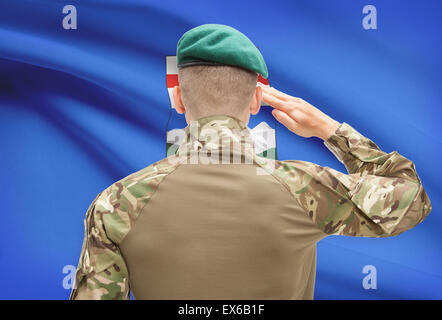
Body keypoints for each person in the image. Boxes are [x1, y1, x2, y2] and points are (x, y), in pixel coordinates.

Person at [69, 24, 432, 300]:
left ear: (177, 98)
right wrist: (330, 130)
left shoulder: (115, 204)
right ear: (258, 100)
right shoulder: (305, 188)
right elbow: (411, 198)